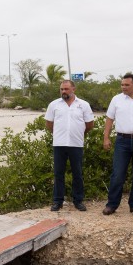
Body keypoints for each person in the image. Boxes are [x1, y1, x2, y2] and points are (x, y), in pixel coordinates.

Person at [45, 80, 94, 212]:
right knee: (58, 173)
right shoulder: (54, 105)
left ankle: (78, 201)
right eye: (61, 89)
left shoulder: (83, 105)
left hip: (76, 144)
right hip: (59, 144)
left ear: (73, 89)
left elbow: (89, 125)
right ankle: (57, 201)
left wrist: (78, 133)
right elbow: (49, 124)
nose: (63, 92)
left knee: (77, 173)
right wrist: (58, 133)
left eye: (66, 89)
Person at [102, 73, 133, 216]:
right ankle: (112, 204)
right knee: (117, 174)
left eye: (126, 85)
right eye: (122, 85)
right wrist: (106, 138)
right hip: (122, 141)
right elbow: (109, 118)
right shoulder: (116, 99)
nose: (123, 87)